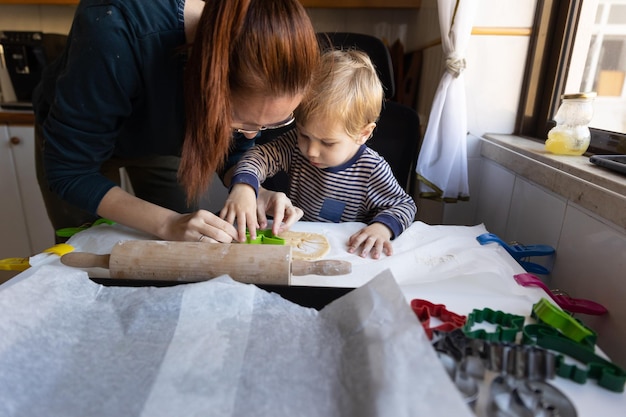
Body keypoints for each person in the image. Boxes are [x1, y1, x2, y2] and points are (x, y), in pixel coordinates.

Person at [32, 0, 319, 244]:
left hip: (165, 137)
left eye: (267, 124)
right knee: (89, 247)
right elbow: (70, 172)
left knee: (188, 240)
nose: (250, 136)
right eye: (239, 119)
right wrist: (167, 224)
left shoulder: (242, 50)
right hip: (82, 147)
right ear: (207, 77)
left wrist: (248, 186)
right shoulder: (114, 29)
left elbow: (235, 143)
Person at [221, 49, 418, 259]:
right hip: (300, 248)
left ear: (363, 133)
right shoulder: (294, 147)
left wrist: (382, 228)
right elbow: (257, 158)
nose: (311, 151)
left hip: (347, 253)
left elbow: (404, 205)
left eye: (327, 142)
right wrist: (245, 187)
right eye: (304, 135)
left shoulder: (371, 169)